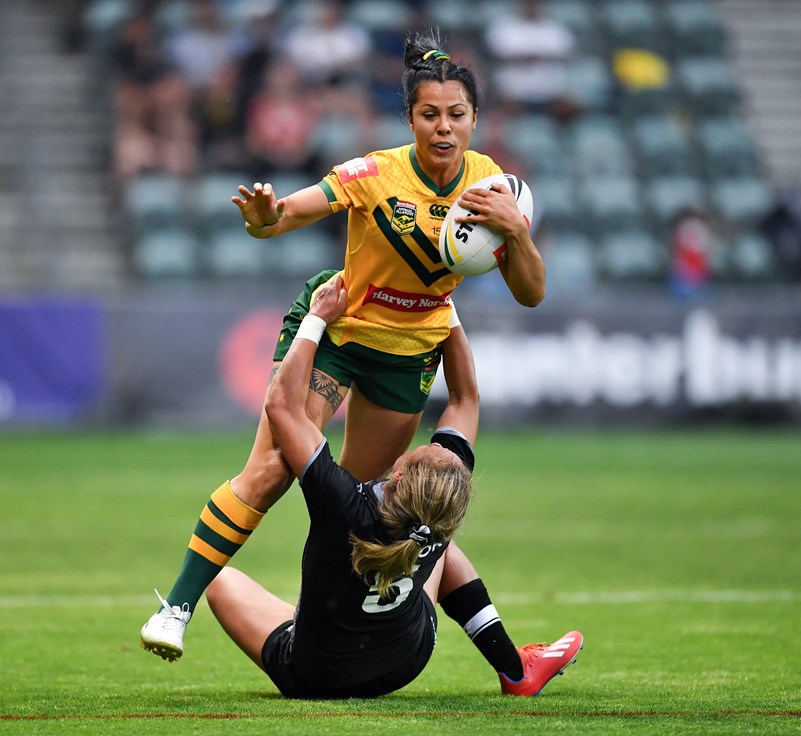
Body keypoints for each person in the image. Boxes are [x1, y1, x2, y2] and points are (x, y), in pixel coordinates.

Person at [140, 28, 545, 660]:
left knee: (356, 504)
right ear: (410, 118)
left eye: (457, 115)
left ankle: (322, 621)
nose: (444, 128)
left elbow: (531, 293)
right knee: (275, 468)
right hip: (337, 329)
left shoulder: (492, 185)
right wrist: (266, 217)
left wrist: (517, 234)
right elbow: (295, 211)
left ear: (475, 120)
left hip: (410, 353)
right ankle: (178, 608)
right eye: (430, 114)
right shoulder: (376, 173)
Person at [203, 275, 583, 697]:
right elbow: (465, 399)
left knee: (220, 581)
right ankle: (514, 669)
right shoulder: (444, 502)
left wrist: (314, 320)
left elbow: (280, 405)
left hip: (313, 674)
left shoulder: (345, 503)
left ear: (399, 473)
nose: (430, 445)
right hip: (404, 661)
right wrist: (439, 306)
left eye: (423, 450)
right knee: (434, 531)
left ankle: (314, 625)